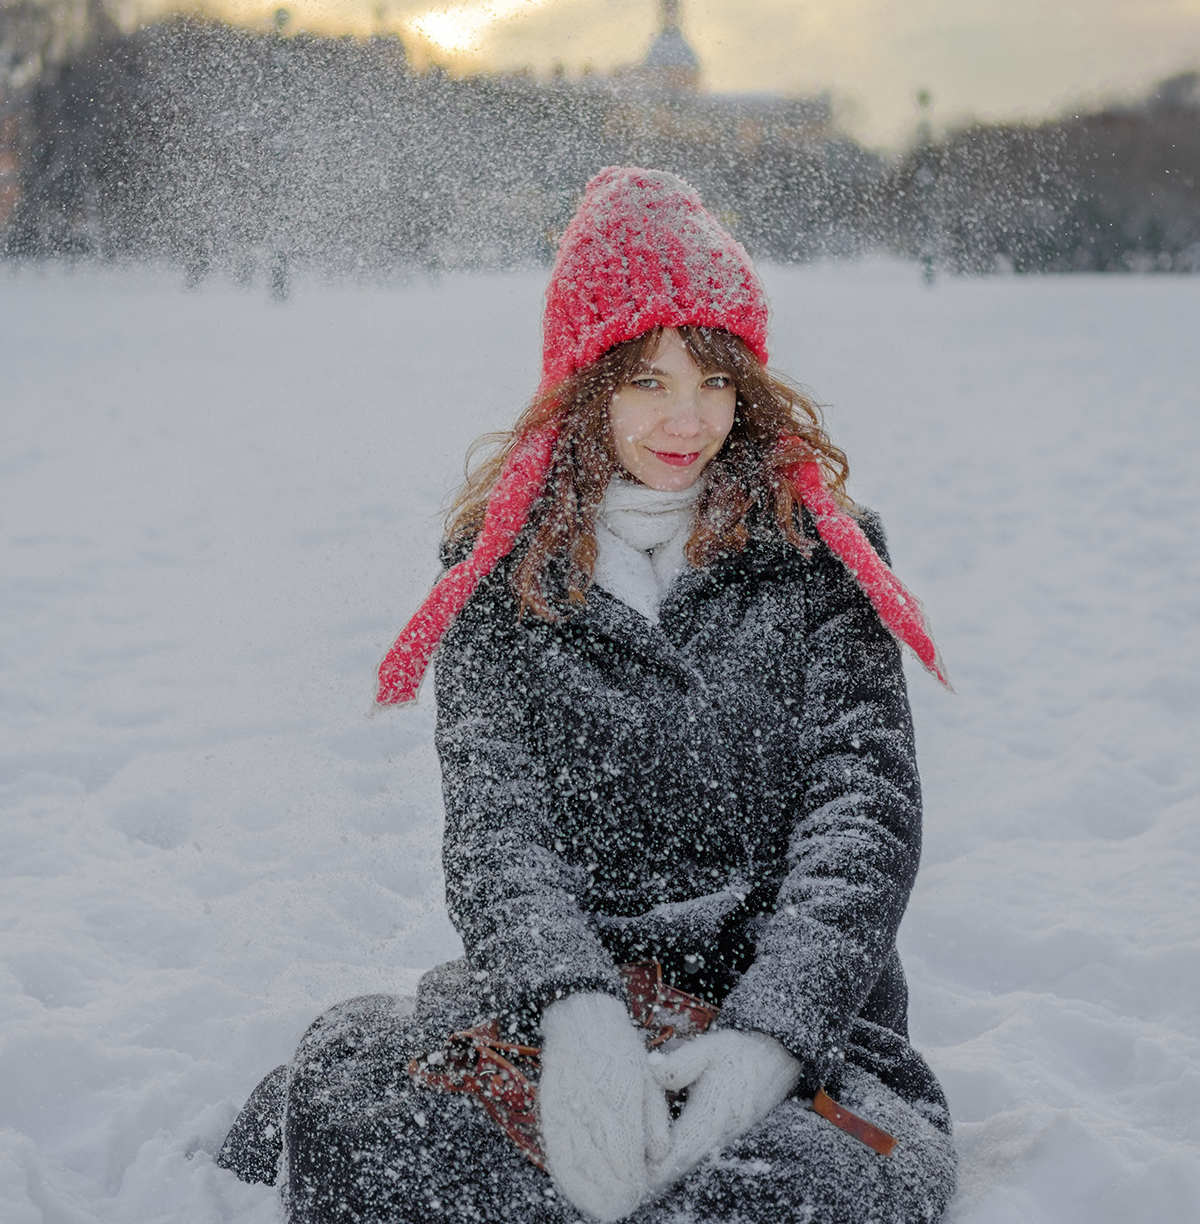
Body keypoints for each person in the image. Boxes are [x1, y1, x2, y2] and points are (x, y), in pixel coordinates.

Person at [218, 167, 957, 1223]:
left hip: (799, 1023)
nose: (687, 418)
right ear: (585, 384)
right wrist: (576, 1022)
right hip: (566, 999)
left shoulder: (816, 559)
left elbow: (863, 816)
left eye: (713, 380)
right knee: (369, 1145)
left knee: (804, 1193)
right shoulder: (502, 573)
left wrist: (767, 1040)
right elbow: (496, 826)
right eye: (647, 381)